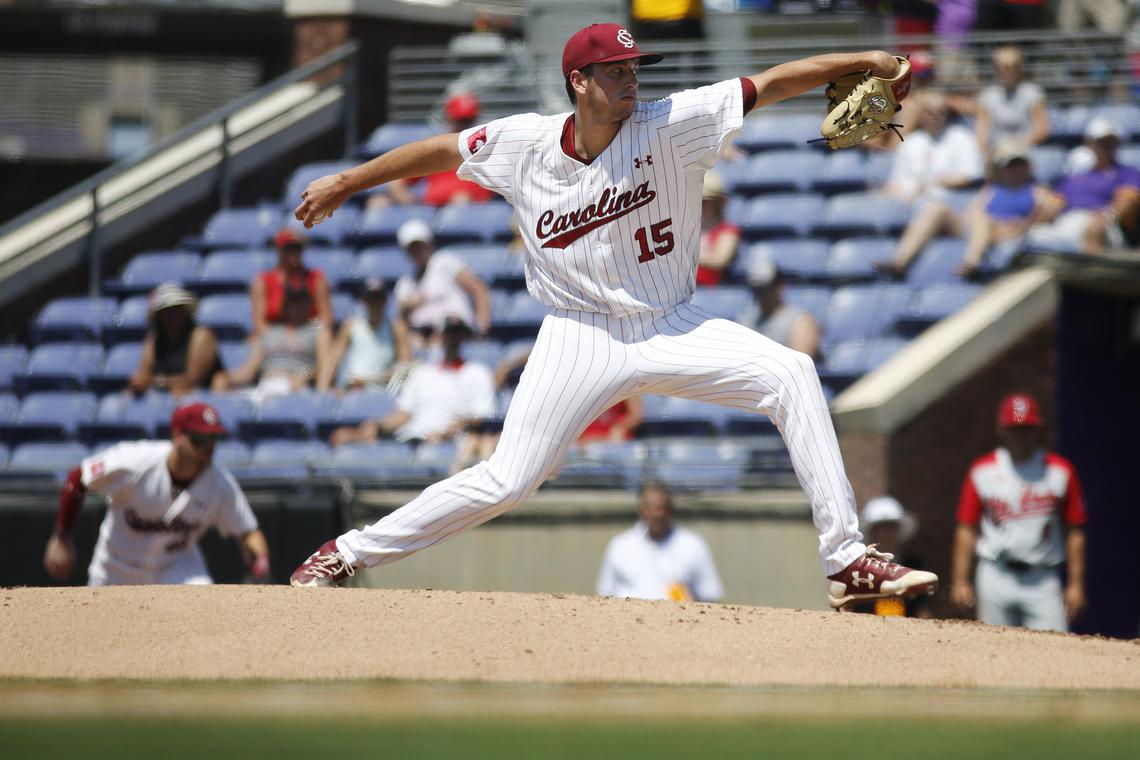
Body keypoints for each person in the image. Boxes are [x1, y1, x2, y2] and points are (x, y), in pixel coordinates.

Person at [288, 22, 939, 609]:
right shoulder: (523, 142)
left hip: (668, 321)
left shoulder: (671, 122)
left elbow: (770, 82)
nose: (632, 80)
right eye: (617, 71)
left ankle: (847, 559)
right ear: (579, 80)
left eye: (635, 69)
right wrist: (347, 182)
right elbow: (441, 149)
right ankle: (347, 552)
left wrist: (869, 57)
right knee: (507, 480)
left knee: (792, 373)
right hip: (578, 336)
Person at [41, 402, 270, 586]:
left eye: (214, 439)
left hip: (177, 569)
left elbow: (249, 532)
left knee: (203, 608)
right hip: (116, 567)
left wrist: (260, 566)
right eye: (200, 439)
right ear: (178, 435)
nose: (208, 447)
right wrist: (62, 537)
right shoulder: (136, 462)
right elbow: (78, 477)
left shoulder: (220, 484)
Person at [951, 393, 1087, 633]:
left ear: (1038, 429)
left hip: (1042, 576)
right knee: (993, 647)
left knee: (1056, 648)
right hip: (995, 572)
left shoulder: (1060, 471)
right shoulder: (983, 470)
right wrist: (961, 580)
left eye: (1026, 428)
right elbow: (967, 528)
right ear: (1002, 430)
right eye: (1015, 429)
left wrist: (1076, 584)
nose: (1020, 436)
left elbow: (1075, 529)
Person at [329, 314, 497, 468]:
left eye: (457, 334)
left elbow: (482, 417)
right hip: (413, 439)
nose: (453, 339)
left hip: (452, 441)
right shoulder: (422, 373)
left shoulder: (477, 373)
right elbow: (403, 414)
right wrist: (376, 426)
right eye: (449, 334)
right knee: (348, 441)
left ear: (463, 337)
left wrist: (458, 425)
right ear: (440, 337)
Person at [877, 143, 1052, 280]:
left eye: (1019, 165)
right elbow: (971, 215)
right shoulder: (991, 190)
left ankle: (971, 264)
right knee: (936, 208)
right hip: (979, 229)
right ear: (1000, 169)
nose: (1014, 170)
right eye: (1009, 166)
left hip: (1005, 232)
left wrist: (1026, 224)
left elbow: (1050, 211)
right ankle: (899, 262)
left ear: (1027, 166)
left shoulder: (1037, 191)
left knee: (983, 218)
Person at [1025, 119, 1140, 255]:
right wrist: (1034, 220)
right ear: (1090, 144)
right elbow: (1054, 202)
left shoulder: (1127, 173)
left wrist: (1107, 217)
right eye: (1101, 142)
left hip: (1101, 224)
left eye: (1110, 142)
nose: (1106, 146)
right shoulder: (1073, 177)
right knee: (1032, 236)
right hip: (1066, 223)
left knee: (1090, 231)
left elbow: (1127, 200)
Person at [596, 482, 723, 602]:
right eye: (652, 508)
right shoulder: (620, 545)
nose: (658, 514)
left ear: (671, 510)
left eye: (664, 508)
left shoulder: (694, 545)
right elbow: (605, 593)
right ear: (642, 510)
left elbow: (709, 595)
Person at [377, 93, 497, 208]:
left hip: (469, 210)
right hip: (428, 210)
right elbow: (398, 183)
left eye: (469, 121)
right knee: (378, 202)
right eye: (460, 121)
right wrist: (408, 201)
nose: (465, 127)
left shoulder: (486, 148)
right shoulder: (437, 147)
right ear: (449, 120)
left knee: (460, 201)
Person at [215, 283, 333, 396]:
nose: (297, 307)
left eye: (302, 303)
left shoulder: (317, 331)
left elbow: (323, 367)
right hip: (266, 385)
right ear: (285, 305)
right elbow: (250, 369)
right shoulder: (270, 332)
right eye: (293, 303)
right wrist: (226, 377)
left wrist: (305, 376)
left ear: (308, 305)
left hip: (298, 387)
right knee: (222, 385)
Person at [393, 219, 492, 350]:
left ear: (429, 244)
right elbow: (401, 321)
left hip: (458, 336)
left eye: (420, 245)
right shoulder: (405, 284)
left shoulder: (445, 262)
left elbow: (479, 290)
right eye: (412, 248)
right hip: (424, 343)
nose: (417, 251)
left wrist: (481, 331)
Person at [882, 91, 985, 205]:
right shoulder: (910, 142)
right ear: (921, 115)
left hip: (950, 200)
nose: (936, 116)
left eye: (941, 112)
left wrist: (935, 184)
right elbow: (896, 181)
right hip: (912, 200)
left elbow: (969, 175)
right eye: (930, 112)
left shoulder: (961, 137)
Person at [127, 283, 223, 397]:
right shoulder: (153, 339)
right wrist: (138, 383)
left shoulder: (201, 336)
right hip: (163, 394)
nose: (172, 314)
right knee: (128, 394)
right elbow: (143, 374)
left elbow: (192, 380)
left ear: (185, 311)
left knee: (181, 393)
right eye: (166, 310)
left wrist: (154, 382)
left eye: (176, 309)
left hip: (199, 395)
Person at [320, 277, 412, 391]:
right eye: (371, 299)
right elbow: (333, 359)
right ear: (364, 301)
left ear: (385, 301)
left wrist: (378, 380)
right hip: (353, 390)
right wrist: (323, 391)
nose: (374, 304)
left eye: (378, 299)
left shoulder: (396, 328)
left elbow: (406, 365)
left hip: (383, 391)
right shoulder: (351, 326)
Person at [846, 497, 932, 619]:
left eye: (891, 527)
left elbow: (922, 610)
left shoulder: (915, 566)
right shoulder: (858, 569)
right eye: (882, 528)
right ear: (873, 532)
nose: (887, 533)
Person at [249, 228, 333, 338]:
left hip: (309, 335)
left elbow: (324, 319)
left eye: (297, 248)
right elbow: (259, 323)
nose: (293, 253)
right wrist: (279, 339)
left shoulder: (316, 278)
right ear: (278, 250)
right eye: (288, 248)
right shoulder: (263, 281)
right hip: (274, 337)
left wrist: (313, 331)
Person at [974, 46, 1050, 154]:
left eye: (1015, 66)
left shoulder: (1033, 93)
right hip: (997, 153)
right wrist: (988, 154)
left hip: (1026, 151)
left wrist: (1016, 146)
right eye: (1005, 67)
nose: (1010, 71)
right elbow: (981, 134)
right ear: (997, 69)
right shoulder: (987, 97)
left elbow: (1043, 130)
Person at [746, 254, 820, 361]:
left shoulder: (801, 321)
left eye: (765, 289)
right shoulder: (747, 320)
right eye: (757, 290)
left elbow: (800, 365)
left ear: (779, 287)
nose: (761, 295)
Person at [695, 172, 741, 286]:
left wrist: (684, 255)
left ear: (717, 204)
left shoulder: (728, 230)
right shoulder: (686, 227)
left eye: (705, 201)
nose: (699, 205)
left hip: (708, 290)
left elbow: (719, 260)